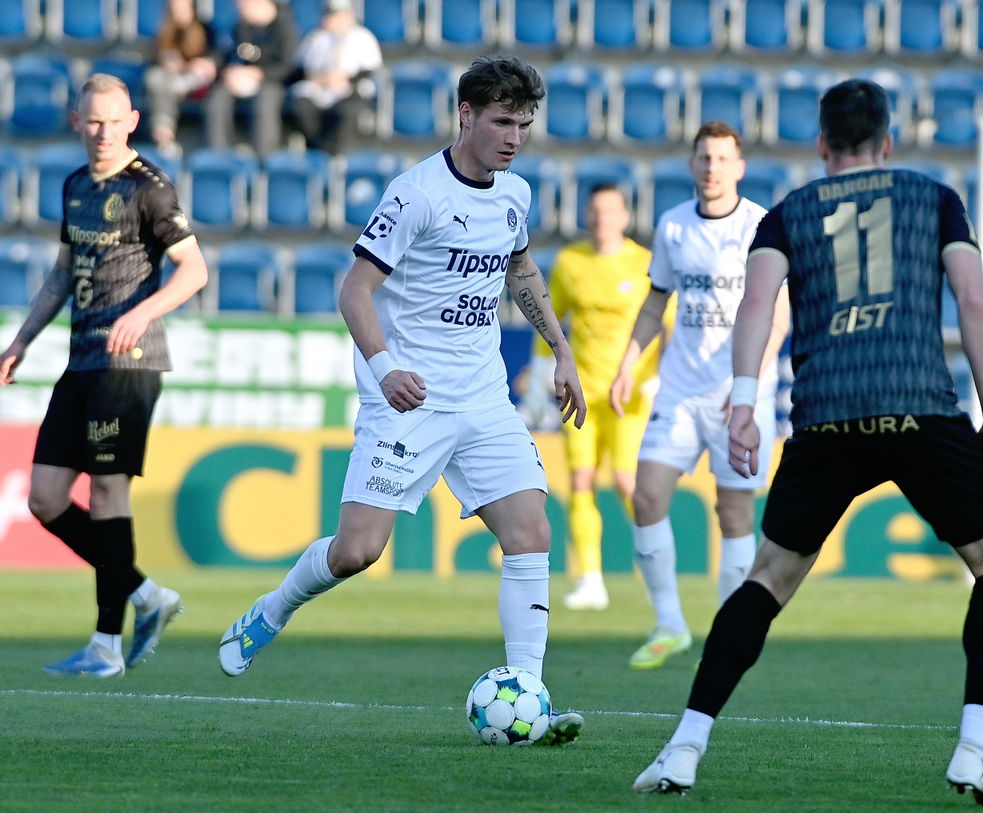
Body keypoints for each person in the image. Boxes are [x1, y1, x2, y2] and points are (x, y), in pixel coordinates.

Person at [632, 79, 983, 807]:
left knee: (767, 579)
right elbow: (974, 302)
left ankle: (683, 747)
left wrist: (743, 404)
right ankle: (977, 747)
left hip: (826, 418)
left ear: (821, 145)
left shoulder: (785, 214)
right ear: (887, 142)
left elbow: (756, 304)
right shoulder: (935, 198)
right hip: (918, 407)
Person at [217, 56, 589, 746]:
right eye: (502, 122)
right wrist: (385, 368)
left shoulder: (515, 194)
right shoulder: (416, 194)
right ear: (466, 115)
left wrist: (561, 349)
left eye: (524, 124)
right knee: (357, 551)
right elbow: (354, 290)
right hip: (410, 399)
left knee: (531, 533)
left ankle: (529, 696)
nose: (514, 138)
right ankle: (271, 610)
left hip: (483, 394)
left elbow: (521, 268)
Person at [0, 74, 209, 677]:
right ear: (76, 122)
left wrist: (142, 312)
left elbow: (194, 270)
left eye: (114, 121)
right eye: (93, 121)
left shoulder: (150, 189)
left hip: (129, 363)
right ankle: (146, 594)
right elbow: (63, 273)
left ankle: (105, 645)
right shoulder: (75, 186)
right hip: (82, 359)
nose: (103, 132)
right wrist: (21, 340)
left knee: (107, 492)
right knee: (45, 498)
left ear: (132, 122)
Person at [610, 121, 790, 669]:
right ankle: (669, 623)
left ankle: (729, 632)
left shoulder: (761, 225)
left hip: (740, 393)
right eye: (704, 158)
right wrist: (627, 365)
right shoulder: (673, 225)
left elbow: (779, 315)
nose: (712, 167)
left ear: (739, 167)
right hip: (681, 390)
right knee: (646, 497)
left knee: (733, 513)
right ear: (692, 164)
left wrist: (747, 386)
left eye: (722, 159)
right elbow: (654, 304)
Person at [531, 184, 664, 611]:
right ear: (586, 215)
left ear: (625, 216)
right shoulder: (570, 262)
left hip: (630, 393)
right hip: (582, 391)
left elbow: (667, 321)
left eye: (610, 211)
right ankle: (590, 579)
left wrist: (658, 377)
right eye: (595, 210)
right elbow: (549, 319)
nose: (602, 218)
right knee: (581, 481)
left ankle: (656, 568)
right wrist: (540, 369)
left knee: (627, 481)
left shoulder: (645, 263)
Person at [206, 0, 298, 156]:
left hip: (272, 81)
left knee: (266, 100)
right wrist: (227, 71)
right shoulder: (241, 27)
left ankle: (265, 158)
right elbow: (227, 54)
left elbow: (288, 68)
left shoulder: (285, 28)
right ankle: (217, 155)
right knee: (218, 95)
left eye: (244, 5)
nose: (240, 9)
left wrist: (258, 73)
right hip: (242, 80)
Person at [290, 0, 383, 155]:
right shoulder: (315, 37)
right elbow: (300, 69)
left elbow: (370, 70)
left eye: (337, 15)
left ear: (349, 15)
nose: (331, 20)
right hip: (318, 88)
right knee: (300, 106)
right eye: (329, 15)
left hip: (350, 89)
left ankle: (334, 154)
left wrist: (345, 79)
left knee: (346, 111)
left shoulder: (362, 36)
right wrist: (319, 79)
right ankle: (316, 150)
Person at [143, 0, 218, 158]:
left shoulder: (205, 28)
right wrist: (168, 62)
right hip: (171, 78)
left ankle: (164, 133)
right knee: (155, 77)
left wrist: (193, 65)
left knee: (170, 84)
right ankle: (164, 133)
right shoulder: (165, 31)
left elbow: (213, 59)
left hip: (196, 80)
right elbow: (154, 60)